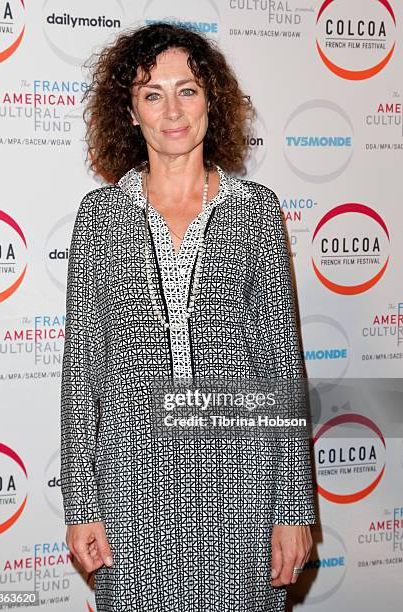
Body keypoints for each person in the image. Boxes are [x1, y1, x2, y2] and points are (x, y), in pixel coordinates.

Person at [60, 22, 316, 612]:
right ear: (130, 112)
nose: (172, 110)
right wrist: (82, 505)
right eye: (152, 93)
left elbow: (278, 367)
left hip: (242, 496)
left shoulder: (254, 212)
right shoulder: (100, 216)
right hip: (131, 497)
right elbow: (83, 376)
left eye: (188, 90)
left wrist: (293, 510)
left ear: (211, 102)